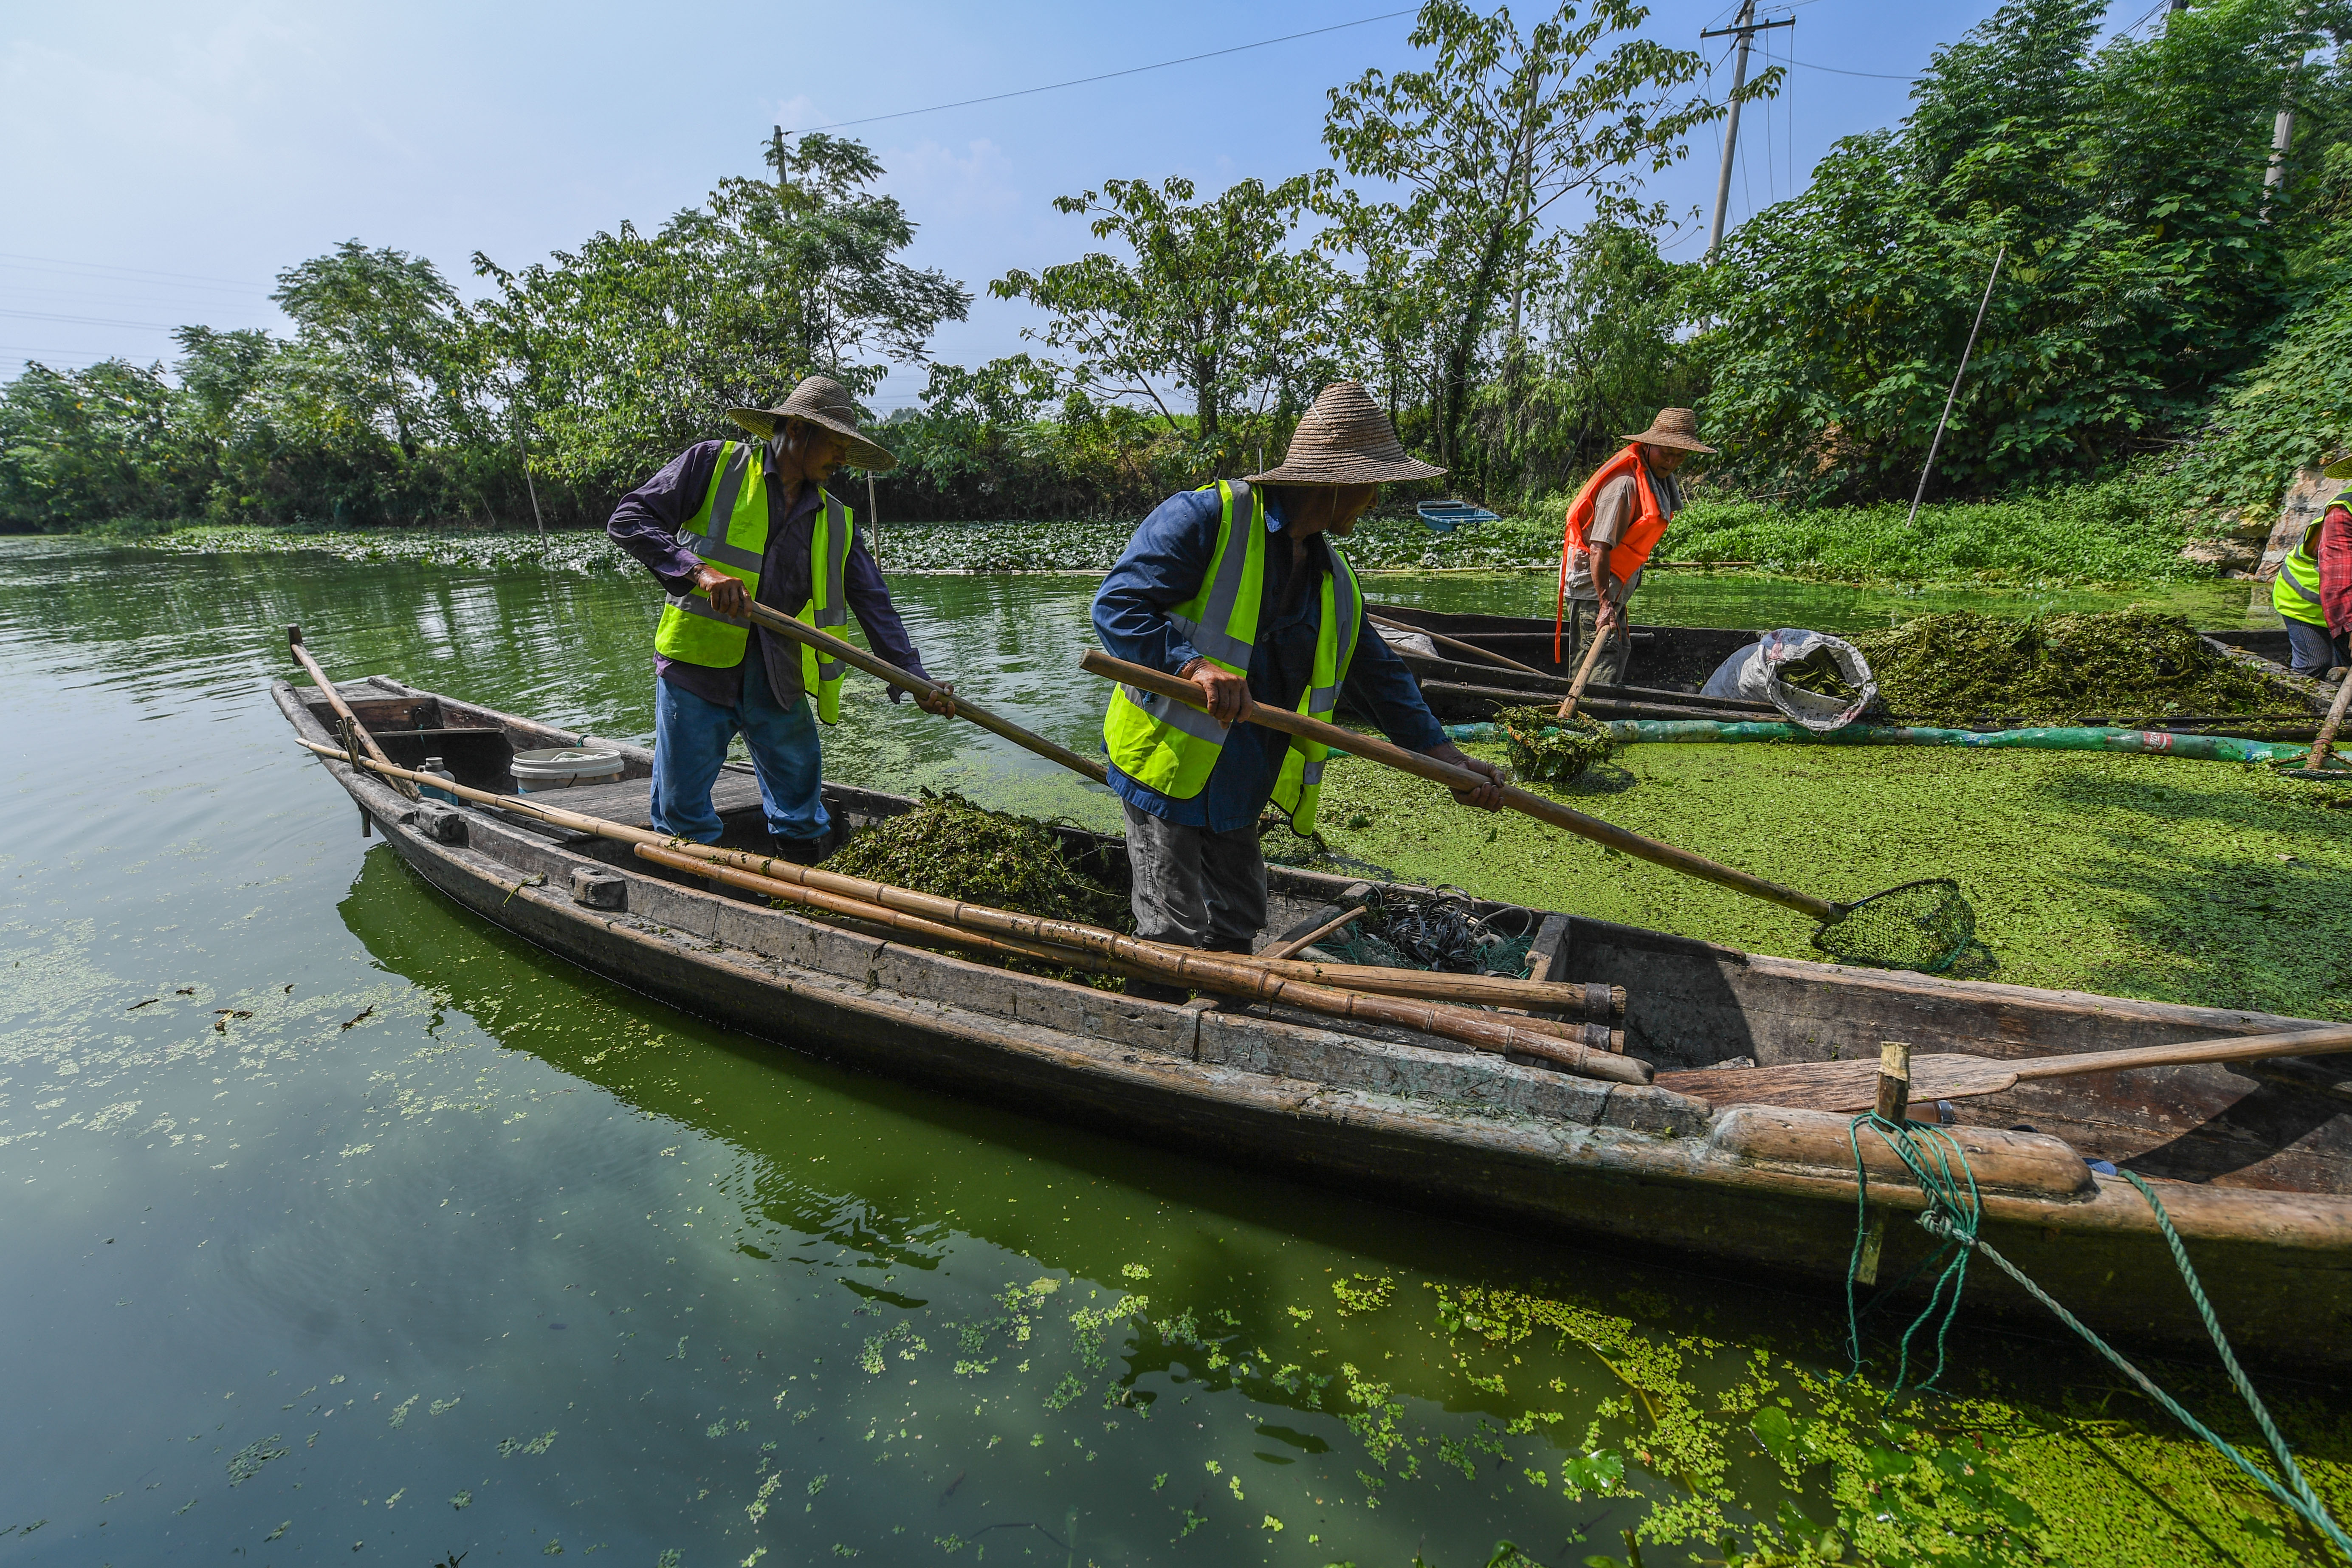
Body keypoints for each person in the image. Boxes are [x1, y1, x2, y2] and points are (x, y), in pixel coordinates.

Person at [1092, 381, 1506, 996]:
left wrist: (1447, 761)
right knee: (1172, 931)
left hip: (1240, 778)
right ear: (1334, 482)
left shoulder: (1333, 579)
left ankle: (1221, 1024)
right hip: (1164, 764)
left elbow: (1381, 677)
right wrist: (1193, 667)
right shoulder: (1204, 518)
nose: (1375, 500)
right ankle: (1151, 1028)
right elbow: (1116, 607)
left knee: (1240, 919)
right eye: (1371, 485)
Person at [607, 375, 951, 859]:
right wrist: (701, 573)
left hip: (776, 674)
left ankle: (800, 879)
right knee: (683, 812)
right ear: (797, 429)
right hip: (697, 669)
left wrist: (913, 677)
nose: (843, 459)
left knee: (801, 805)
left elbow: (876, 605)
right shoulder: (714, 465)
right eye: (836, 444)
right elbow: (629, 519)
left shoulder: (836, 520)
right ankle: (705, 891)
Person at [1554, 408, 1718, 686]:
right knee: (1599, 669)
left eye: (1680, 456)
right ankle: (1588, 713)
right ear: (1649, 445)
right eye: (1666, 452)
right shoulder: (1624, 486)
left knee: (1618, 654)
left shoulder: (1654, 479)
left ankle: (1598, 710)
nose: (1671, 462)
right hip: (1594, 593)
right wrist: (1605, 604)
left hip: (1612, 590)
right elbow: (1599, 549)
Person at [2275, 452, 2352, 679]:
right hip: (2307, 600)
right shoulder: (2343, 512)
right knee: (2315, 664)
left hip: (2343, 601)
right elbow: (2339, 582)